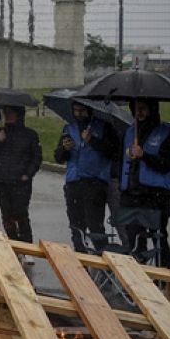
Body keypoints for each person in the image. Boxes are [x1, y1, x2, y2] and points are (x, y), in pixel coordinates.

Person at [120, 98, 170, 267]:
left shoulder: (169, 132)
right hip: (132, 194)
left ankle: (163, 279)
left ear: (152, 109)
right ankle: (137, 275)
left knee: (158, 237)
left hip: (156, 195)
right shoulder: (130, 132)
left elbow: (168, 164)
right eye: (135, 109)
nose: (139, 113)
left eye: (143, 108)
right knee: (133, 238)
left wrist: (144, 155)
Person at [53, 101, 121, 252]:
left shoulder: (104, 127)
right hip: (73, 182)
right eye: (75, 111)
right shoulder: (68, 128)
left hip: (95, 183)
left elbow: (114, 152)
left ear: (90, 110)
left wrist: (93, 140)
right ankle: (81, 260)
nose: (78, 114)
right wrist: (64, 149)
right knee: (76, 227)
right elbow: (58, 157)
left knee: (95, 226)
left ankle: (103, 261)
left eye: (82, 111)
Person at [0, 106, 43, 244]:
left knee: (21, 214)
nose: (7, 116)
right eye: (5, 113)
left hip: (21, 182)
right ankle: (14, 242)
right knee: (7, 215)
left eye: (10, 113)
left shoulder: (30, 135)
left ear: (18, 115)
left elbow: (36, 157)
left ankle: (27, 245)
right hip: (1, 180)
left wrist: (28, 175)